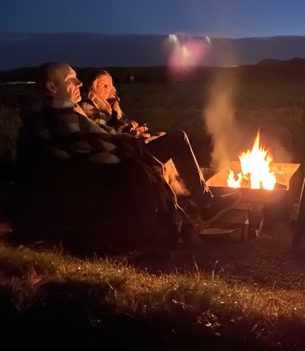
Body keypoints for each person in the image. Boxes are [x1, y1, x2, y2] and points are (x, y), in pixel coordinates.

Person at [18, 63, 240, 240]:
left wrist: (131, 132)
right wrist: (132, 141)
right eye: (70, 79)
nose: (78, 83)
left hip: (114, 159)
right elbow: (100, 139)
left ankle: (201, 200)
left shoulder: (57, 111)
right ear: (52, 88)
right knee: (177, 138)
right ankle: (206, 203)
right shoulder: (61, 113)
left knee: (167, 138)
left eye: (77, 77)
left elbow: (98, 133)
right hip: (113, 165)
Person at [79, 69, 216, 208]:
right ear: (91, 86)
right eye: (102, 85)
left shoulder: (109, 107)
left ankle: (187, 197)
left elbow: (120, 126)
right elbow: (106, 135)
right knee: (178, 138)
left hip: (131, 149)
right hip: (128, 156)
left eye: (109, 85)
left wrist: (134, 128)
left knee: (163, 135)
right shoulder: (88, 107)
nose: (108, 89)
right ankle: (206, 203)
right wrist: (130, 131)